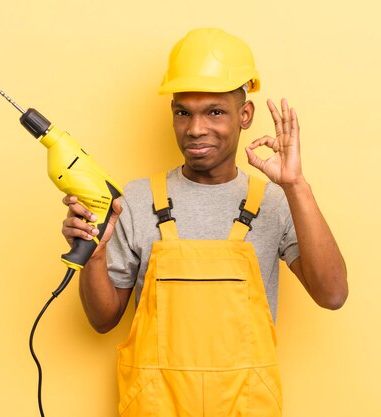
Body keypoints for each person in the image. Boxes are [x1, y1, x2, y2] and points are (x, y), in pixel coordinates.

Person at [61, 28, 347, 416]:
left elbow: (332, 295)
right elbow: (102, 319)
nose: (196, 129)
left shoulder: (275, 203)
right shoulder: (138, 200)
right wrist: (93, 256)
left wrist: (296, 185)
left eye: (215, 111)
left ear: (245, 115)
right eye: (184, 112)